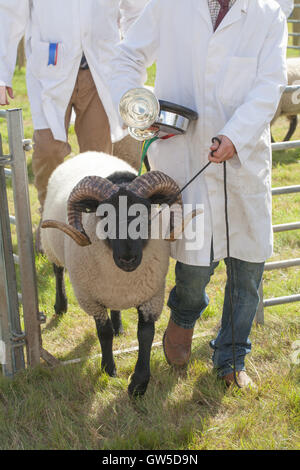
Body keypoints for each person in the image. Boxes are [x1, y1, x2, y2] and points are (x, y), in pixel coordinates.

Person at [109, 0, 288, 387]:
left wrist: (235, 136)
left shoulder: (267, 13)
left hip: (242, 158)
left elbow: (269, 84)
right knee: (193, 264)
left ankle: (232, 358)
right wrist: (139, 109)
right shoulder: (171, 5)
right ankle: (184, 316)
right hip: (185, 154)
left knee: (247, 265)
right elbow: (127, 57)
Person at [0, 0, 148, 221]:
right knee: (49, 149)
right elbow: (9, 13)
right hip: (50, 67)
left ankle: (94, 229)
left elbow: (137, 9)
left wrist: (131, 56)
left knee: (97, 155)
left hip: (101, 69)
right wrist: (2, 73)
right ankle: (51, 221)